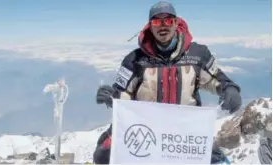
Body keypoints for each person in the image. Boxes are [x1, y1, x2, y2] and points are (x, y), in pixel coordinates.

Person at [94, 1, 242, 164]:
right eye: (157, 21)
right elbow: (123, 93)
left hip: (185, 131)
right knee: (103, 154)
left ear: (176, 23)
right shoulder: (135, 60)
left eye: (168, 21)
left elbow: (216, 79)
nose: (163, 26)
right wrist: (111, 96)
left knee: (218, 162)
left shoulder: (198, 54)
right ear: (150, 25)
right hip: (145, 128)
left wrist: (230, 89)